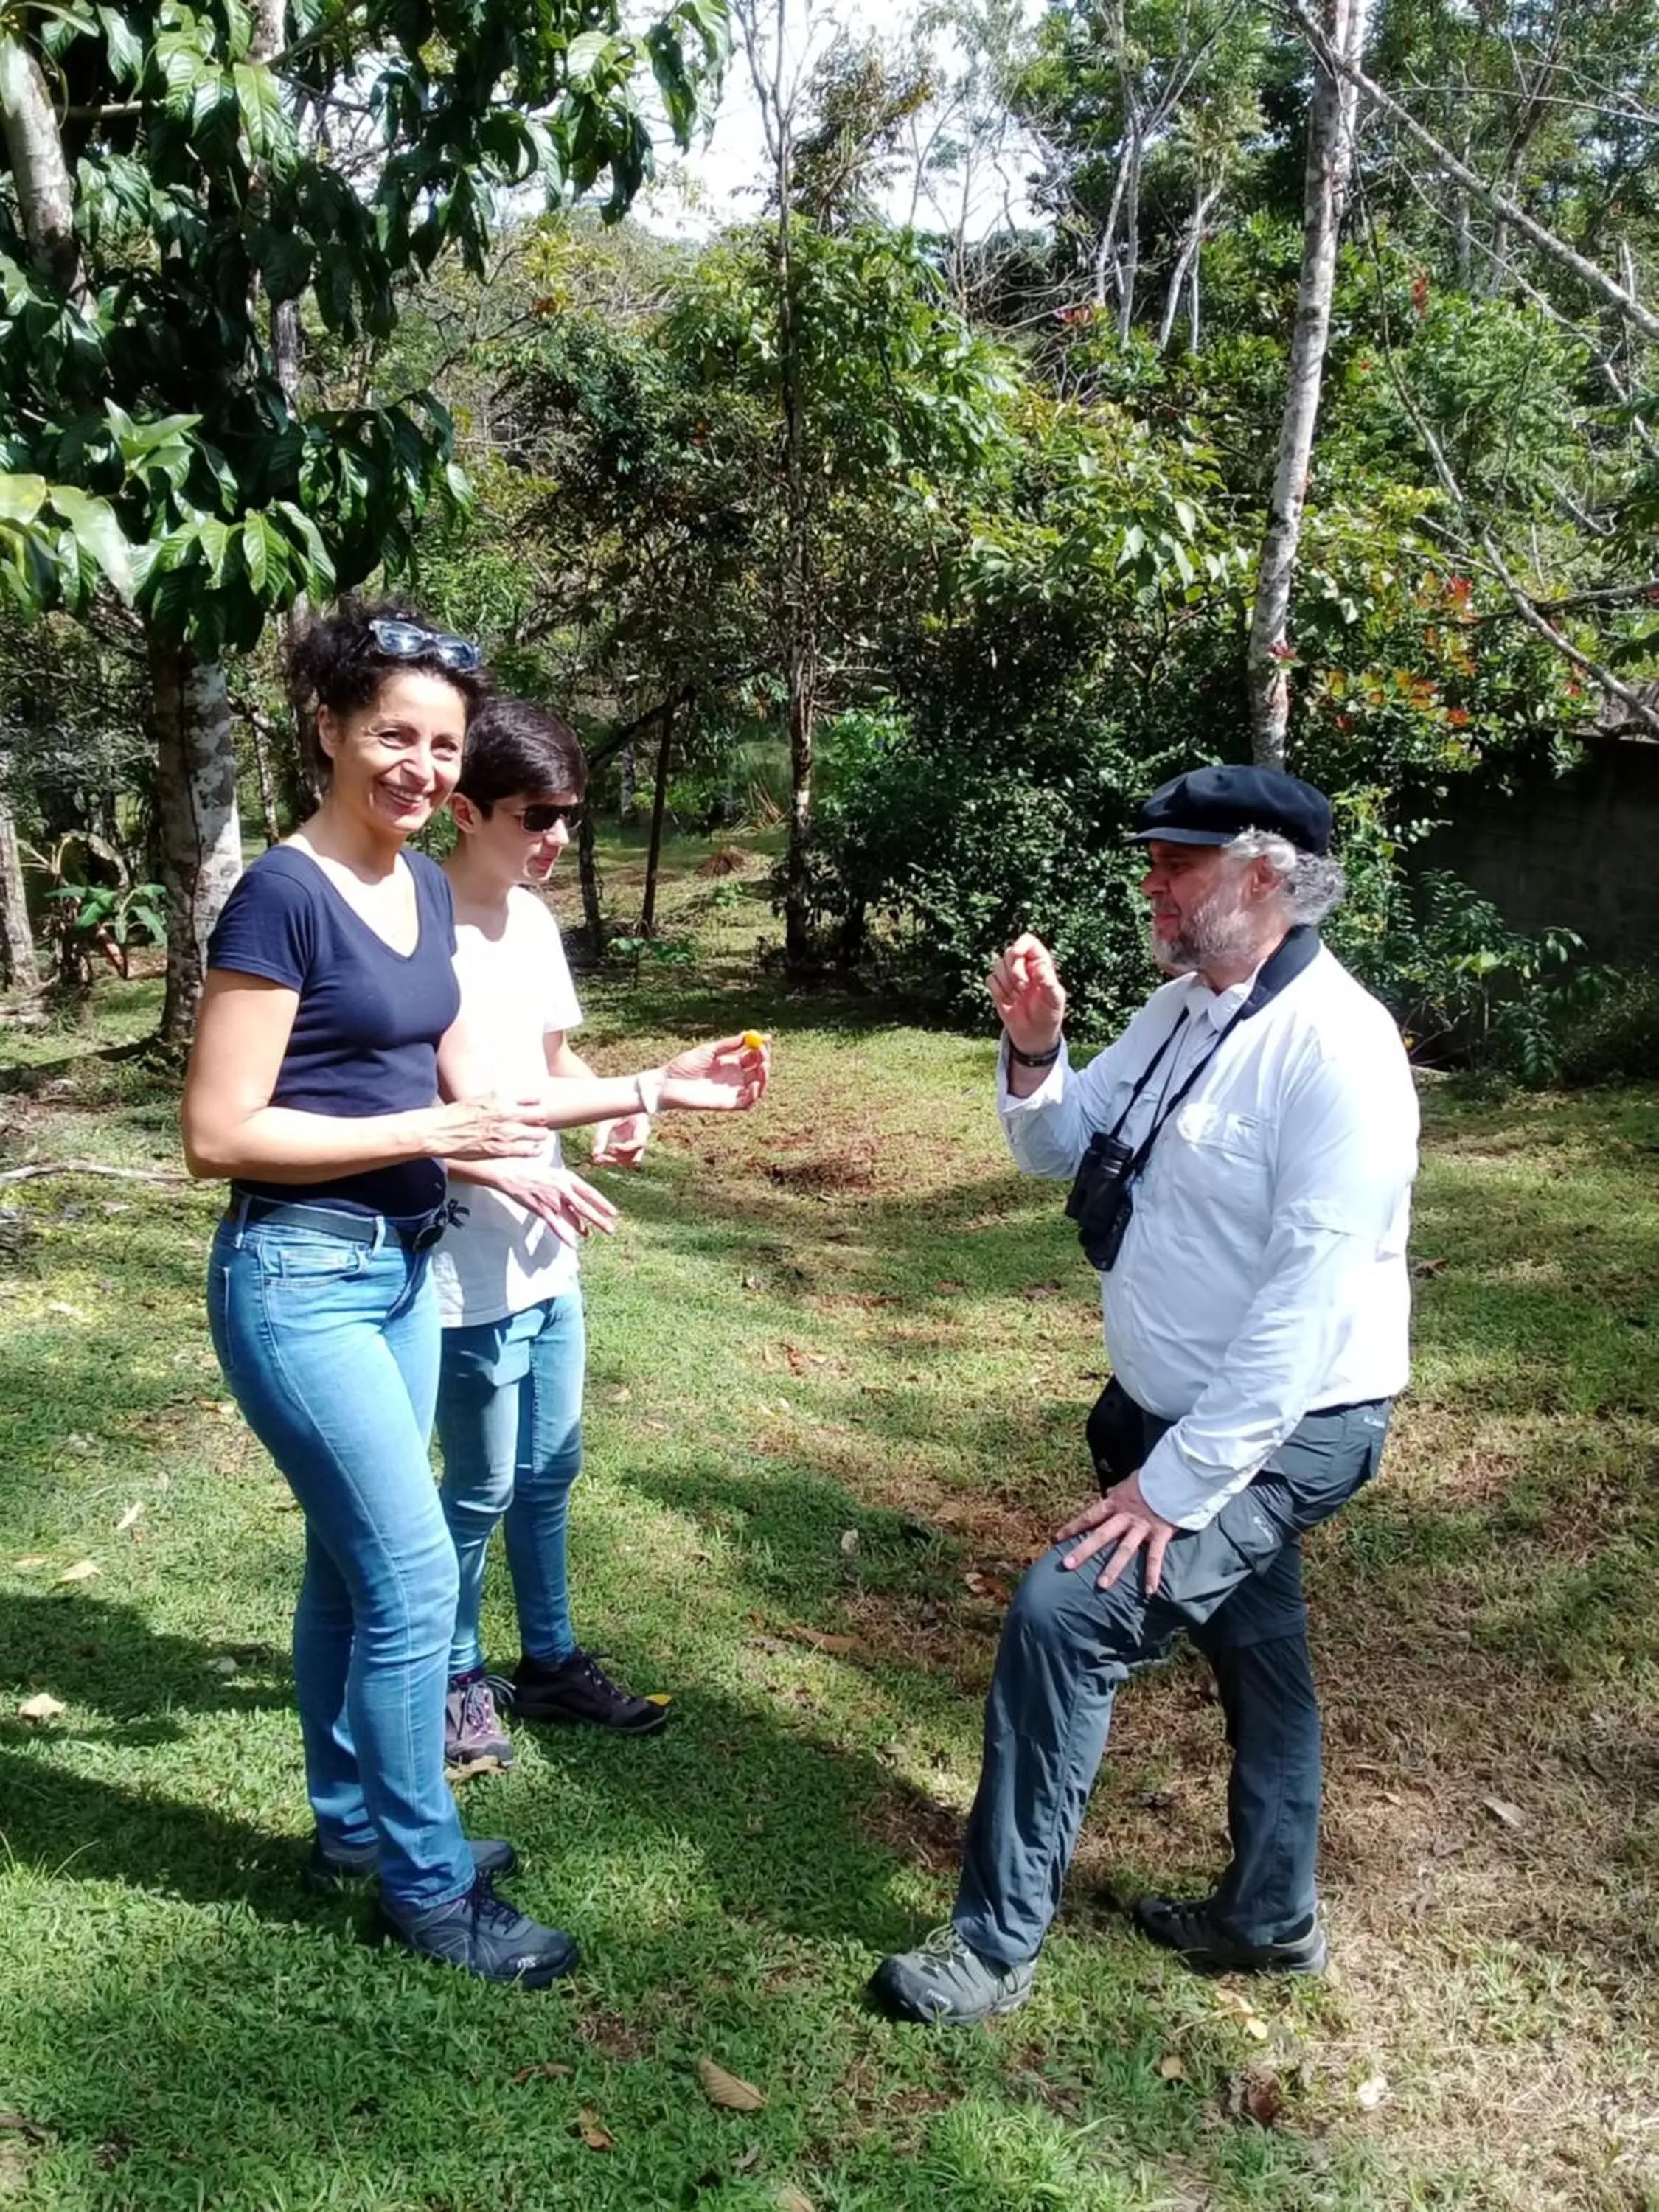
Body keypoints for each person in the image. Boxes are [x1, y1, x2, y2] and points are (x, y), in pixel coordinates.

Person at [181, 603, 763, 1989]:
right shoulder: (284, 892)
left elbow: (474, 1091)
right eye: (394, 733)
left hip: (395, 1269)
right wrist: (427, 1141)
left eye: (441, 744)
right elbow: (220, 1133)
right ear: (327, 728)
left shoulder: (424, 892)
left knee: (350, 1573)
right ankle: (427, 1885)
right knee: (409, 1578)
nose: (422, 766)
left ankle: (355, 1831)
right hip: (297, 1274)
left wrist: (642, 1089)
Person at [872, 764, 1419, 2025]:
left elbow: (1304, 1310)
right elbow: (1060, 1145)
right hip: (1161, 1407)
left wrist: (1169, 1493)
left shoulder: (1337, 1051)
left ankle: (992, 1947)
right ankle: (1270, 1918)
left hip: (1282, 1429)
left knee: (1068, 1616)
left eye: (1179, 861)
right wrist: (1033, 1045)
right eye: (1155, 859)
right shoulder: (1182, 1009)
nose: (1152, 883)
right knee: (1258, 1652)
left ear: (1271, 878)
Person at [430, 697, 771, 1767]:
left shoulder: (530, 923)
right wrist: (513, 1160)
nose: (559, 838)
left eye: (568, 814)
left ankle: (551, 1661)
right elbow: (418, 1110)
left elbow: (553, 1068)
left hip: (549, 1243)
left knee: (550, 1468)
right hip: (462, 1258)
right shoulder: (413, 927)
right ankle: (450, 1677)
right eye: (538, 815)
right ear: (466, 807)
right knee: (477, 1485)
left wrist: (622, 1107)